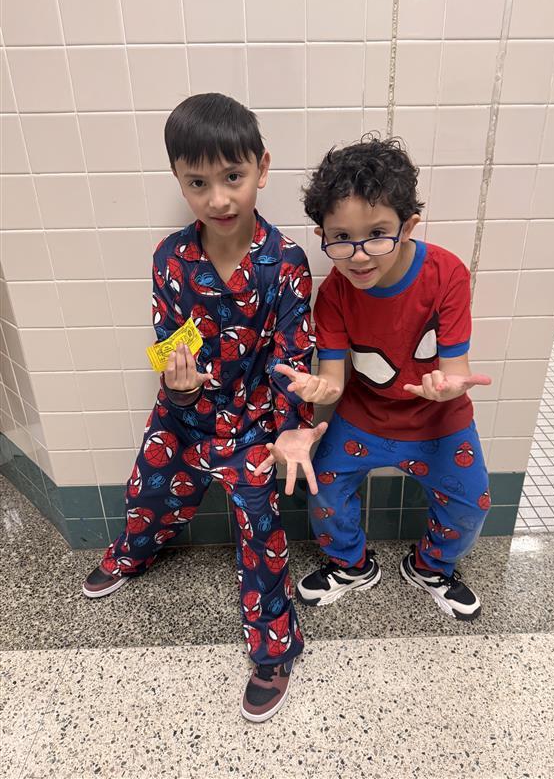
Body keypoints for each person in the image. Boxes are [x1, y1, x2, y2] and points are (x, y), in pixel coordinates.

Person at [81, 93, 326, 722]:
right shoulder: (170, 259)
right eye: (198, 183)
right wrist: (180, 386)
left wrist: (293, 433)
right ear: (180, 183)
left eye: (233, 178)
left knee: (259, 530)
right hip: (185, 418)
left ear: (261, 169)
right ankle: (135, 551)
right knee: (150, 489)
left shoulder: (287, 265)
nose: (218, 198)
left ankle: (274, 647)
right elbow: (170, 346)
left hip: (252, 426)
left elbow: (294, 357)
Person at [265, 136, 492, 621]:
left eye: (378, 233)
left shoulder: (447, 273)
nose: (359, 255)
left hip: (440, 420)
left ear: (408, 226)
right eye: (341, 237)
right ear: (323, 234)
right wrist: (317, 389)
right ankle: (350, 565)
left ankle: (432, 566)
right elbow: (333, 378)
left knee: (473, 501)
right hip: (365, 416)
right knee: (322, 485)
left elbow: (455, 367)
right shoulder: (334, 296)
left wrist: (448, 385)